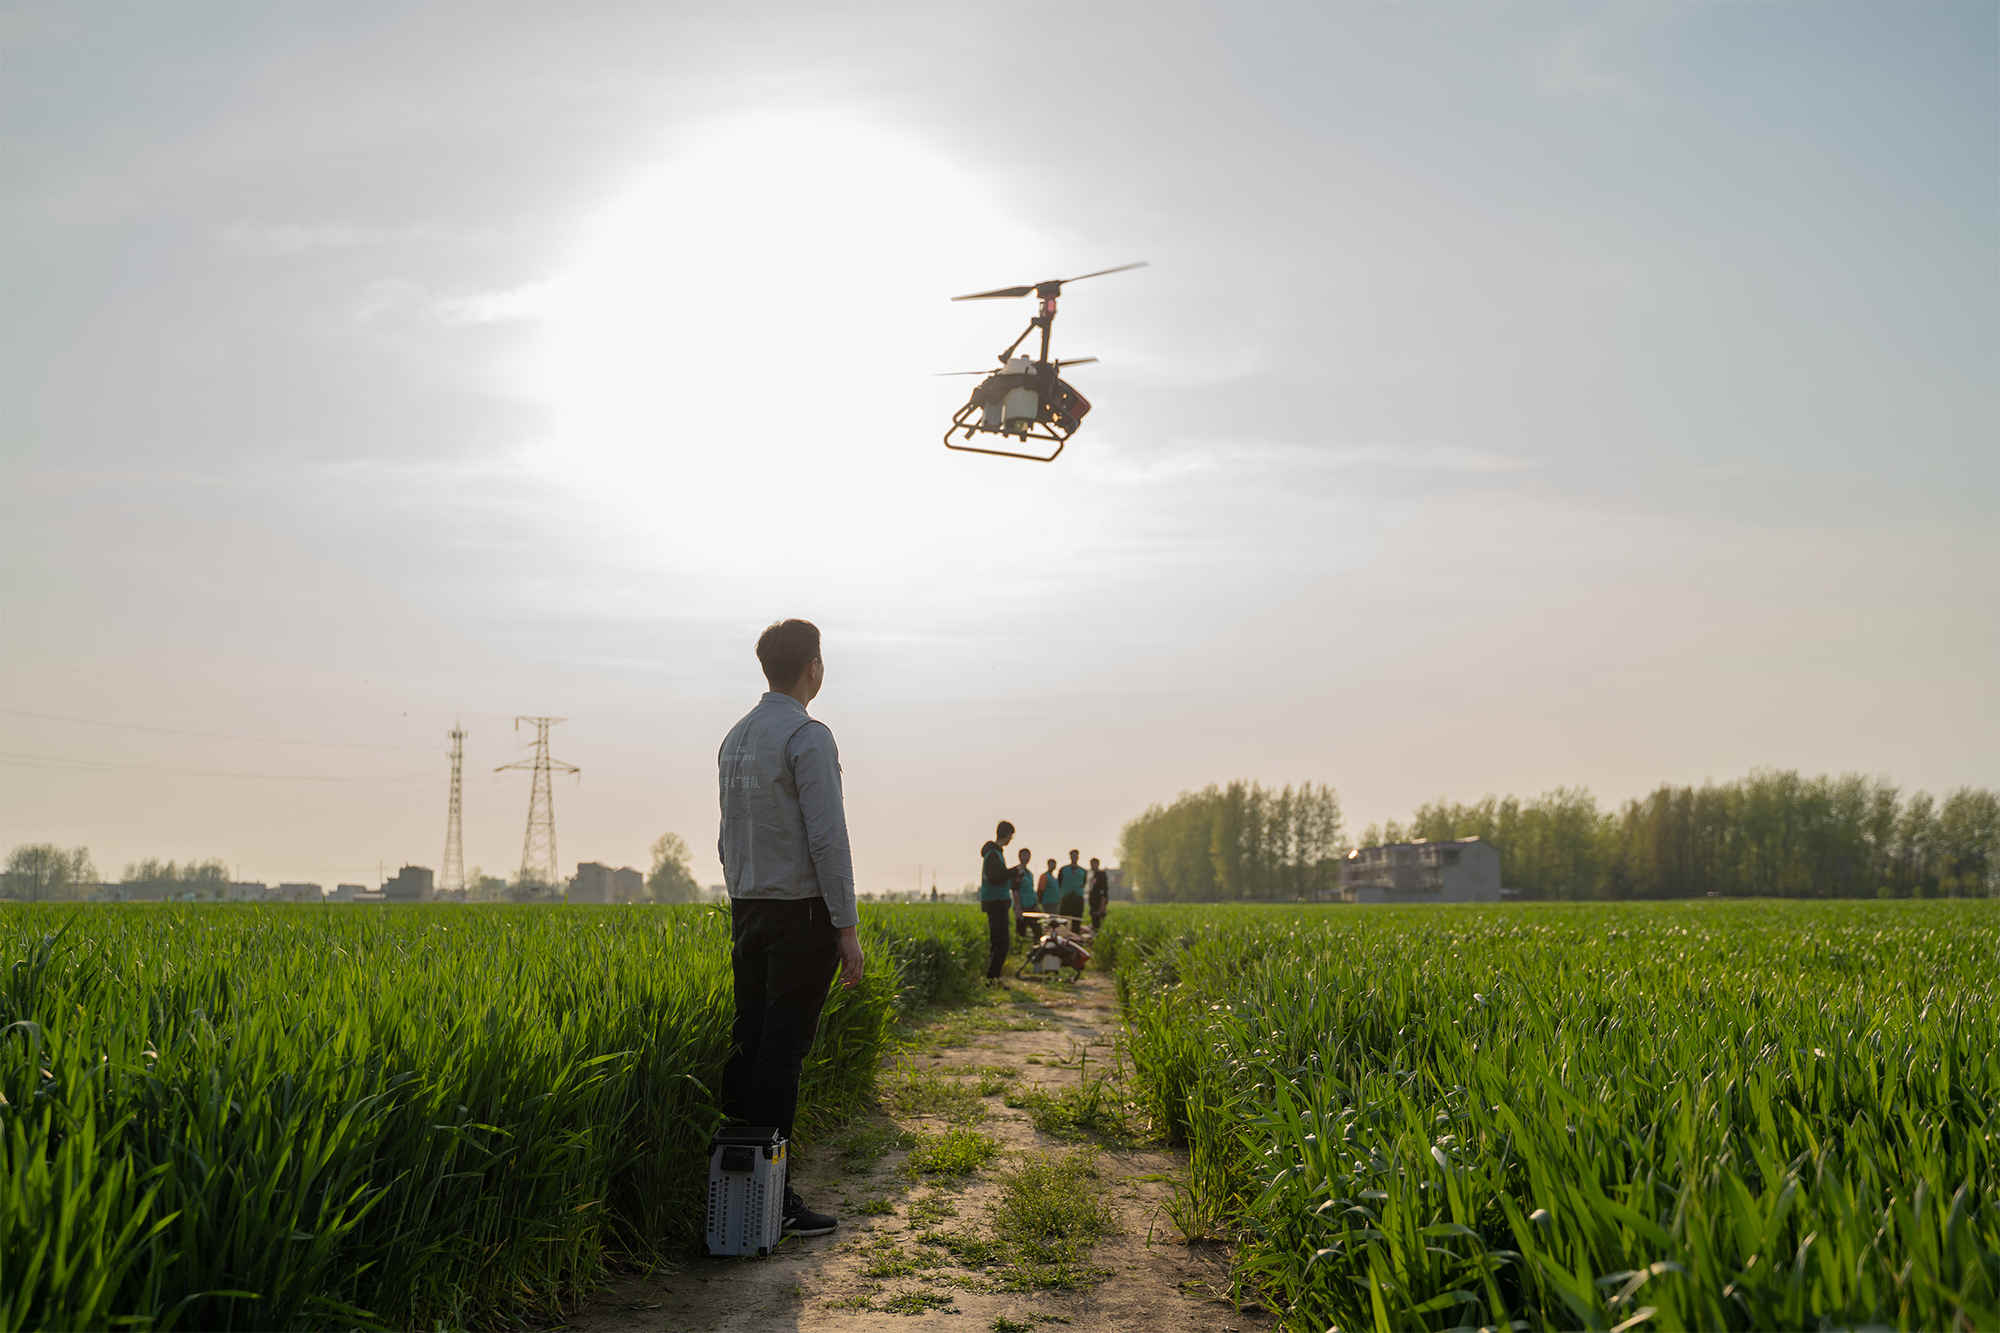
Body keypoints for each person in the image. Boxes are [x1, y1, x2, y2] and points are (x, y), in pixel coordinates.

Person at [717, 618, 864, 1240]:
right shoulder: (807, 735)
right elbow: (828, 838)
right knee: (784, 1054)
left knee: (750, 1044)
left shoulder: (736, 738)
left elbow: (727, 838)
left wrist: (743, 899)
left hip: (747, 908)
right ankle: (773, 1198)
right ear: (813, 668)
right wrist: (846, 928)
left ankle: (736, 1187)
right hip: (800, 913)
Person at [978, 821, 1017, 984]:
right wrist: (1014, 871)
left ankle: (994, 978)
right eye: (1011, 836)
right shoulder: (993, 854)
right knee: (1001, 942)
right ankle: (992, 978)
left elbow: (1000, 875)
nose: (1011, 839)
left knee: (998, 942)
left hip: (997, 902)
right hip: (996, 902)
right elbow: (996, 877)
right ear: (1007, 835)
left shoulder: (995, 853)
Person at [1056, 850, 1088, 923]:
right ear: (1070, 857)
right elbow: (1059, 882)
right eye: (1072, 855)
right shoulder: (1063, 869)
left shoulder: (1083, 871)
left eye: (1076, 855)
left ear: (1078, 857)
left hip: (1078, 899)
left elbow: (1084, 883)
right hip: (1066, 898)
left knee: (1076, 921)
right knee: (1063, 921)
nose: (1074, 857)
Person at [1012, 848, 1037, 939]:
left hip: (1031, 905)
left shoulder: (1029, 873)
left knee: (1037, 930)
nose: (1026, 858)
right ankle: (1018, 951)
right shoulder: (1017, 871)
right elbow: (1015, 890)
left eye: (1028, 856)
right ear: (1019, 857)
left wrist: (1035, 903)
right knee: (1021, 932)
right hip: (1022, 906)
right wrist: (1018, 908)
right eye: (1024, 855)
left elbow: (1031, 890)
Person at [1087, 857, 1110, 932]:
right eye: (1091, 864)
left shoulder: (1101, 875)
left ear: (1097, 864)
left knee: (1099, 926)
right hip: (1093, 904)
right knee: (1094, 925)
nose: (1092, 866)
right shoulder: (1092, 875)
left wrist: (1102, 907)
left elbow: (1104, 892)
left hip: (1099, 904)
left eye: (1094, 864)